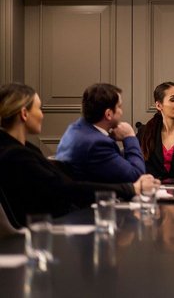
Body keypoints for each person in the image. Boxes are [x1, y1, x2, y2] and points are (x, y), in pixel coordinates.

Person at [0, 83, 158, 227]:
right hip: (48, 230)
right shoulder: (15, 155)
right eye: (39, 109)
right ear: (24, 114)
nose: (42, 114)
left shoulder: (24, 148)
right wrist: (130, 188)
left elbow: (67, 184)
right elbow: (67, 188)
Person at [55, 83, 146, 183]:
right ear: (108, 114)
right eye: (119, 107)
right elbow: (137, 176)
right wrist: (130, 136)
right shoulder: (97, 144)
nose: (121, 112)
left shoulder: (74, 129)